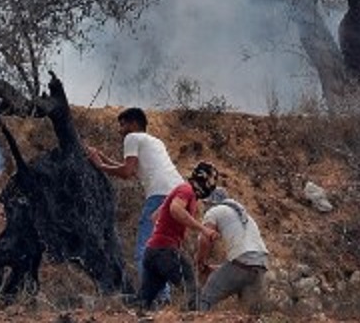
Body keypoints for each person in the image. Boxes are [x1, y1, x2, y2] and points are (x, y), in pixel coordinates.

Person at [86, 107, 184, 292]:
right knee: (162, 249)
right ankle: (169, 297)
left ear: (133, 124)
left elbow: (126, 172)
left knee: (144, 250)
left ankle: (155, 297)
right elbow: (131, 171)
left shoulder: (132, 138)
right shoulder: (155, 141)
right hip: (179, 194)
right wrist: (101, 158)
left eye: (122, 125)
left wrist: (99, 166)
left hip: (160, 195)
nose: (120, 130)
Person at [138, 161, 221, 310]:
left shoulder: (179, 190)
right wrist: (204, 229)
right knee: (192, 289)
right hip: (166, 250)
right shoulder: (187, 190)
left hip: (151, 251)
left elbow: (155, 216)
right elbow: (175, 209)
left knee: (145, 301)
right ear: (205, 181)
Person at [195, 187, 269, 312]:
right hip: (260, 265)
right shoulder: (244, 216)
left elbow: (204, 239)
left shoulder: (214, 211)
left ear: (210, 202)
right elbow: (247, 259)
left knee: (205, 297)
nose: (204, 207)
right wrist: (220, 269)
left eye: (205, 203)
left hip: (242, 262)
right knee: (251, 315)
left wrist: (200, 262)